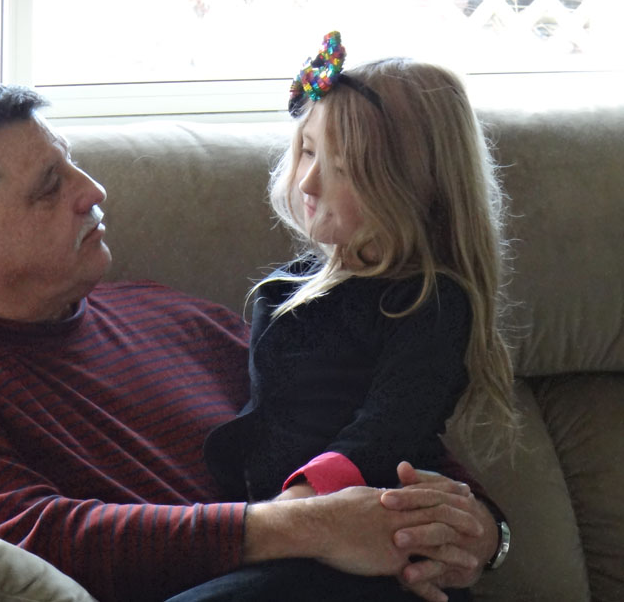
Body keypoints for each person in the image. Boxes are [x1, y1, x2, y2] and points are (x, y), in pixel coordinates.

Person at [0, 83, 502, 602]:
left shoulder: (167, 313)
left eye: (72, 164)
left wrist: (474, 528)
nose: (92, 191)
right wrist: (307, 527)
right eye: (49, 189)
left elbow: (368, 419)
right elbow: (9, 551)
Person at [199, 32, 516, 601]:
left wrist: (292, 512)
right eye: (307, 150)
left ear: (412, 187)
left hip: (372, 551)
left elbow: (384, 433)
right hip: (290, 539)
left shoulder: (428, 301)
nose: (308, 181)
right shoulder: (288, 288)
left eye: (341, 168)